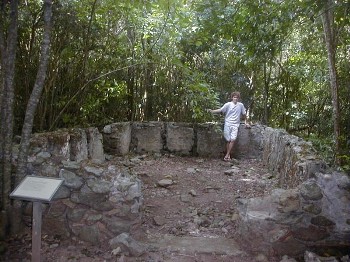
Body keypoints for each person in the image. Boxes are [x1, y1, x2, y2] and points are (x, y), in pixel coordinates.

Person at [209, 91, 250, 161]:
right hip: (228, 123)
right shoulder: (228, 104)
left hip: (235, 124)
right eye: (234, 97)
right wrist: (212, 111)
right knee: (228, 140)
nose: (235, 99)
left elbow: (244, 114)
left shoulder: (241, 105)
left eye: (237, 97)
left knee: (233, 140)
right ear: (232, 98)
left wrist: (246, 123)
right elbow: (221, 110)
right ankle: (228, 156)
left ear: (238, 98)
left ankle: (227, 155)